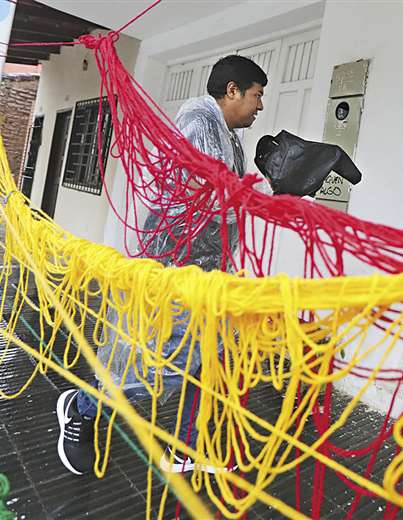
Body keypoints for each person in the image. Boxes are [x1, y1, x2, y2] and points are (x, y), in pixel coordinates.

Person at [55, 55, 268, 476]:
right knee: (157, 366)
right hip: (173, 268)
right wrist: (264, 195)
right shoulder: (198, 121)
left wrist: (276, 186)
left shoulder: (230, 135)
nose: (260, 105)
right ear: (232, 91)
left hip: (207, 272)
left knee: (208, 358)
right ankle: (80, 409)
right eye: (257, 95)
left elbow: (226, 199)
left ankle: (188, 447)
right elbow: (203, 189)